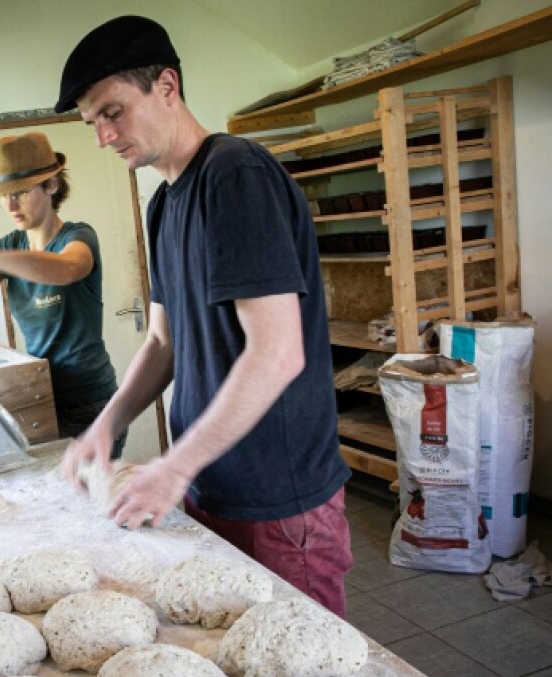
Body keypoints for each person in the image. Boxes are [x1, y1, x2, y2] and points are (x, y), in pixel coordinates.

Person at [55, 16, 353, 615]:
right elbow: (163, 343)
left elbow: (278, 351)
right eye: (92, 124)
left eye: (113, 112)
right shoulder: (165, 204)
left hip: (278, 500)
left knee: (306, 669)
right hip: (209, 485)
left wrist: (172, 466)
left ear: (166, 85)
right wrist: (105, 428)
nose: (103, 137)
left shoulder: (235, 175)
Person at [0, 132, 126, 457]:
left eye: (20, 193)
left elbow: (66, 269)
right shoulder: (9, 247)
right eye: (5, 195)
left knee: (90, 499)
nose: (10, 206)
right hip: (42, 396)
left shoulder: (78, 237)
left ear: (51, 186)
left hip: (91, 402)